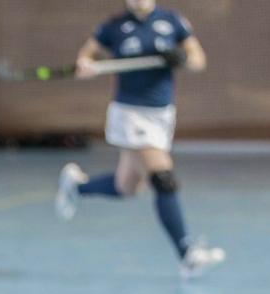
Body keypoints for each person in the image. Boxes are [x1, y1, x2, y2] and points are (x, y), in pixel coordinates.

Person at [55, 0, 224, 279]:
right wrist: (85, 65)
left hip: (162, 115)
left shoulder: (173, 21)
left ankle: (77, 186)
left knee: (127, 186)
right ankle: (187, 255)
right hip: (130, 115)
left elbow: (199, 60)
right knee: (163, 178)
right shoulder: (113, 27)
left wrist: (181, 59)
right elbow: (87, 54)